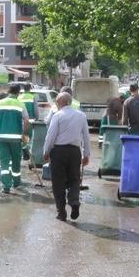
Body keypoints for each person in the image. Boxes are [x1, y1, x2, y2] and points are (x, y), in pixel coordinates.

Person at [43, 92, 91, 221]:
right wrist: (86, 154)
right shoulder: (81, 116)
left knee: (58, 183)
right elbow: (86, 137)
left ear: (61, 102)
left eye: (57, 102)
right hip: (75, 152)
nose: (56, 104)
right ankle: (74, 202)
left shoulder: (58, 116)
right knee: (74, 179)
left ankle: (61, 212)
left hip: (58, 152)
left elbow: (50, 136)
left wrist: (46, 151)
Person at [0, 83, 30, 194]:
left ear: (8, 91)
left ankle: (6, 186)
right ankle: (16, 182)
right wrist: (24, 134)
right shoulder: (20, 104)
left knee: (4, 162)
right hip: (16, 138)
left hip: (1, 137)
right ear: (18, 93)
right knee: (16, 160)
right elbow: (26, 120)